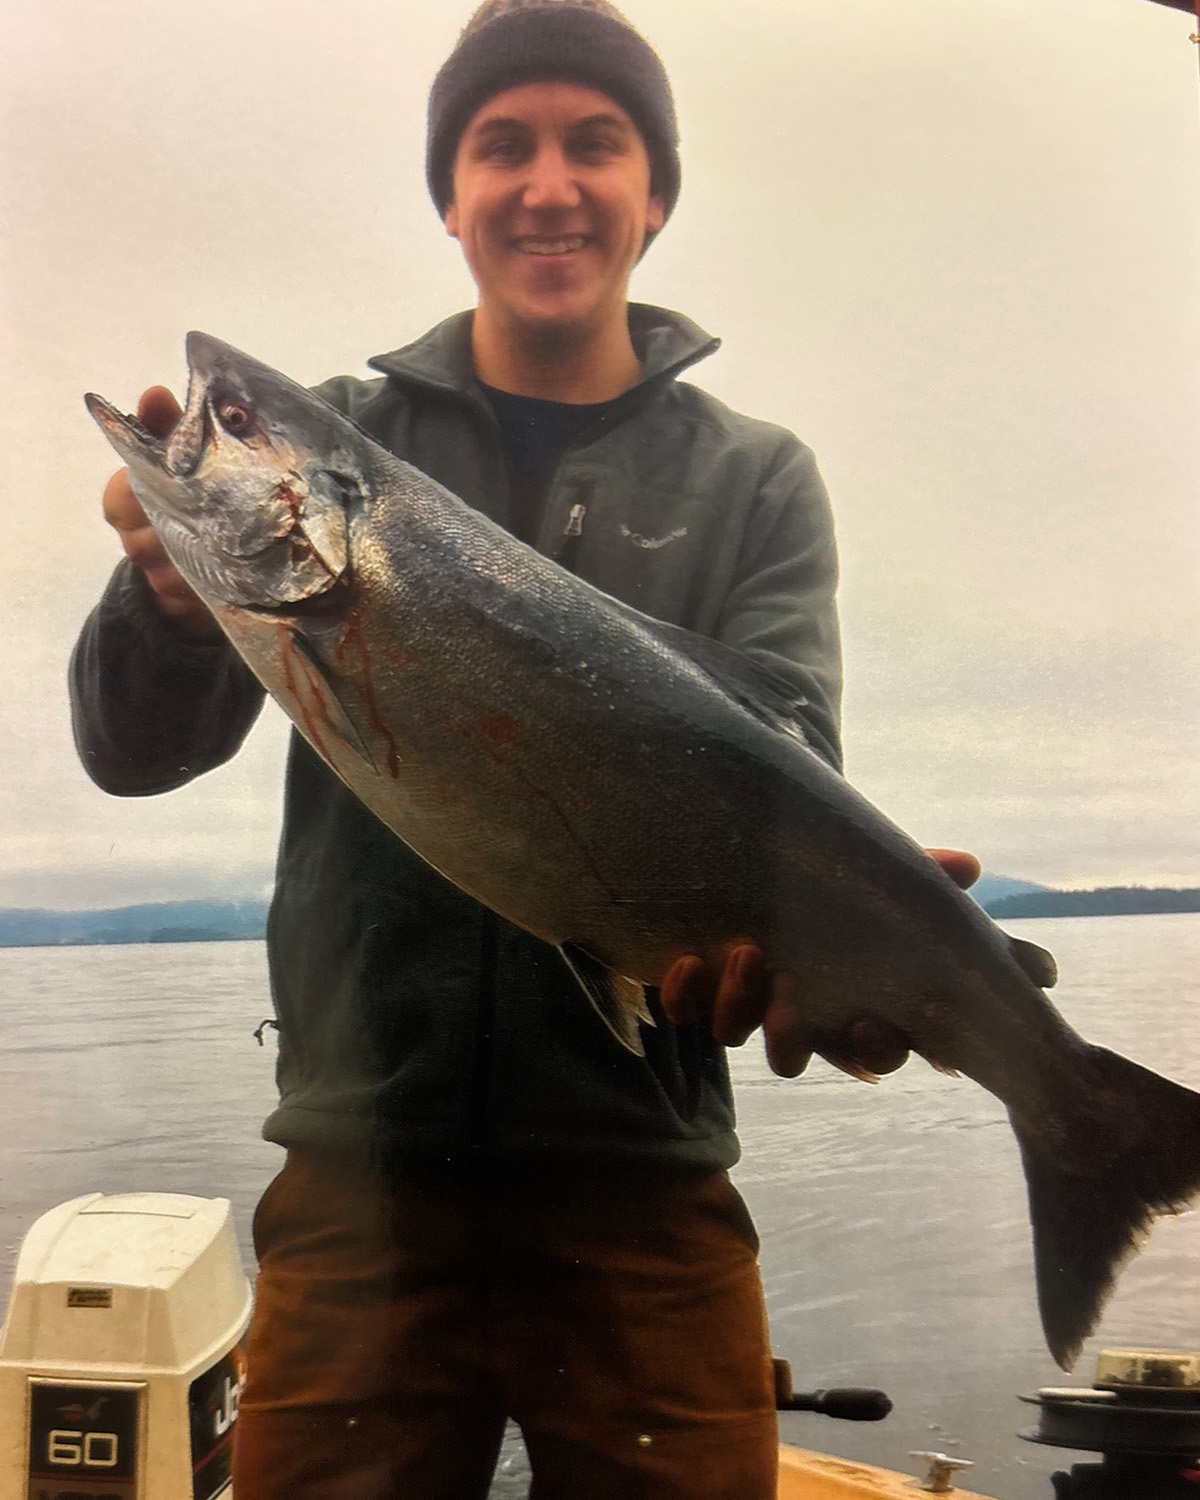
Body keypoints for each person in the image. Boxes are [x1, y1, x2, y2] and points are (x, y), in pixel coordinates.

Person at [70, 2, 979, 1496]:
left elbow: (788, 748)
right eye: (503, 145)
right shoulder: (347, 433)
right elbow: (130, 756)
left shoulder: (754, 479)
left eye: (594, 142)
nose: (548, 182)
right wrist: (166, 602)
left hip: (649, 1188)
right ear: (450, 194)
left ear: (655, 195)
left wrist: (847, 934)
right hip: (359, 1187)